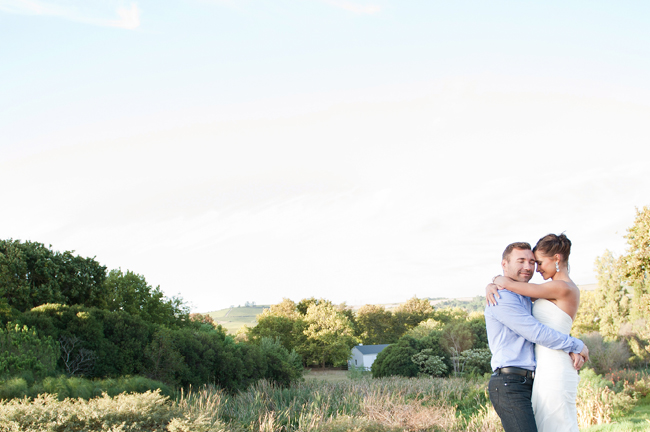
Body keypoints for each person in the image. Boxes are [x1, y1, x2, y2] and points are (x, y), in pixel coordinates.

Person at [484, 241, 588, 432]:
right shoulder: (502, 296)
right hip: (510, 381)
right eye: (521, 261)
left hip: (536, 376)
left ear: (556, 258)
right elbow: (535, 331)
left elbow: (551, 324)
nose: (532, 268)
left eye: (534, 262)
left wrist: (498, 280)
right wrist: (574, 344)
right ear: (504, 264)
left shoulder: (531, 293)